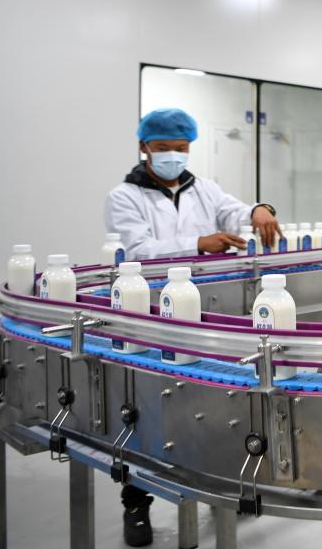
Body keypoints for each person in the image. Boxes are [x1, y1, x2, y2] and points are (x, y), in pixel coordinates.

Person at [104, 107, 281, 546]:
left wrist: (260, 210)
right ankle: (136, 503)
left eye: (180, 148)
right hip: (148, 307)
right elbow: (138, 248)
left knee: (214, 399)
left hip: (204, 304)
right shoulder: (124, 196)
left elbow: (235, 212)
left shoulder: (204, 189)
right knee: (146, 403)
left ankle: (220, 486)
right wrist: (198, 243)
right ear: (144, 147)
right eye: (163, 147)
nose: (172, 155)